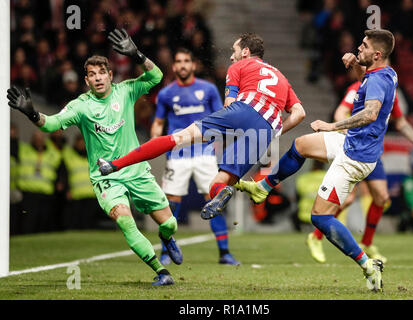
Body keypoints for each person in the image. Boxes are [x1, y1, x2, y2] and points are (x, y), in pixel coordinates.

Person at [7, 28, 181, 286]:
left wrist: (136, 54)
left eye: (102, 73)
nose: (98, 78)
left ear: (111, 75)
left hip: (135, 169)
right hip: (106, 177)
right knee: (125, 221)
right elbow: (51, 124)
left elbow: (156, 76)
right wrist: (33, 114)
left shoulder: (126, 91)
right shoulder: (81, 106)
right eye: (92, 74)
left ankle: (167, 238)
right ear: (86, 81)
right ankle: (161, 271)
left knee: (170, 225)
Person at [235, 29, 405, 292]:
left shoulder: (378, 81)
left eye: (364, 45)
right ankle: (263, 188)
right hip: (354, 142)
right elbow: (371, 80)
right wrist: (357, 60)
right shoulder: (387, 73)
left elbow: (370, 114)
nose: (358, 47)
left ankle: (367, 265)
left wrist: (332, 125)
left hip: (355, 156)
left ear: (378, 54)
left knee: (320, 218)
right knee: (301, 145)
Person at [98, 32, 306, 221]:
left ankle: (115, 164)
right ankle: (222, 193)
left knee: (177, 139)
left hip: (244, 109)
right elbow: (299, 114)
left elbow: (229, 105)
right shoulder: (281, 77)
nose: (232, 57)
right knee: (219, 181)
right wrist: (273, 131)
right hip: (266, 128)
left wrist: (229, 128)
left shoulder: (239, 66)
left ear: (245, 51)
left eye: (234, 51)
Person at [306, 72, 413, 264]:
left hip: (373, 154)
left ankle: (367, 242)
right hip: (352, 151)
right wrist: (348, 132)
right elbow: (339, 112)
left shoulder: (388, 93)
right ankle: (316, 236)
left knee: (381, 197)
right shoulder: (358, 88)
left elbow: (401, 123)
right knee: (348, 199)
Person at [152, 47, 240, 265]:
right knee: (171, 204)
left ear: (193, 65)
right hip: (177, 155)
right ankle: (166, 252)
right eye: (179, 61)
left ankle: (224, 253)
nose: (182, 65)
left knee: (214, 200)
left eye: (186, 61)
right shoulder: (166, 94)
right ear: (174, 66)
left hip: (204, 154)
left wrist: (219, 147)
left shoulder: (208, 89)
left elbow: (221, 118)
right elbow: (158, 123)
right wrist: (155, 145)